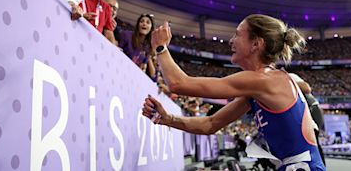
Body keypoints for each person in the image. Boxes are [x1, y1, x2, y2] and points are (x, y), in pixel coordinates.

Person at [142, 14, 326, 170]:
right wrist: (169, 119)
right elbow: (210, 124)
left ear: (256, 44)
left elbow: (178, 84)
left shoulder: (263, 80)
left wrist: (160, 48)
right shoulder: (260, 85)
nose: (231, 41)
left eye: (237, 35)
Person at [289, 73, 326, 165]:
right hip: (297, 113)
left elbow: (307, 88)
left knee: (312, 142)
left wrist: (285, 82)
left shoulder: (288, 76)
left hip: (311, 111)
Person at [117, 14, 156, 79]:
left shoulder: (149, 46)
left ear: (151, 28)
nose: (144, 24)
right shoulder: (126, 35)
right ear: (138, 25)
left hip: (131, 77)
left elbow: (142, 67)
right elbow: (117, 52)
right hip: (119, 70)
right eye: (141, 21)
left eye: (148, 22)